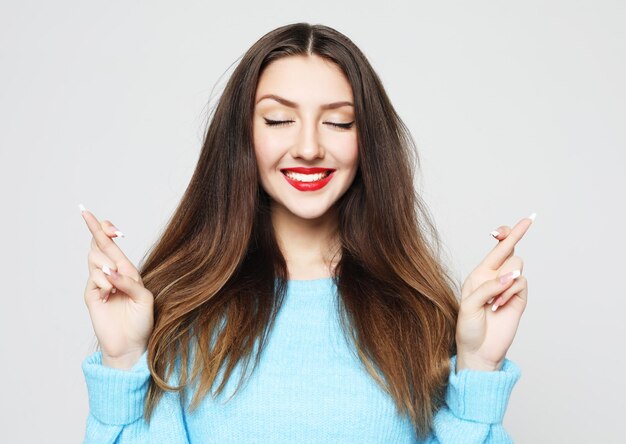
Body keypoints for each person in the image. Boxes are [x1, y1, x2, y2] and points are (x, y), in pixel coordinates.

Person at [79, 22, 533, 443]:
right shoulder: (182, 305)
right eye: (278, 120)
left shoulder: (417, 311)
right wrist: (122, 365)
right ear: (243, 135)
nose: (310, 148)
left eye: (338, 122)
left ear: (367, 140)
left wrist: (479, 370)